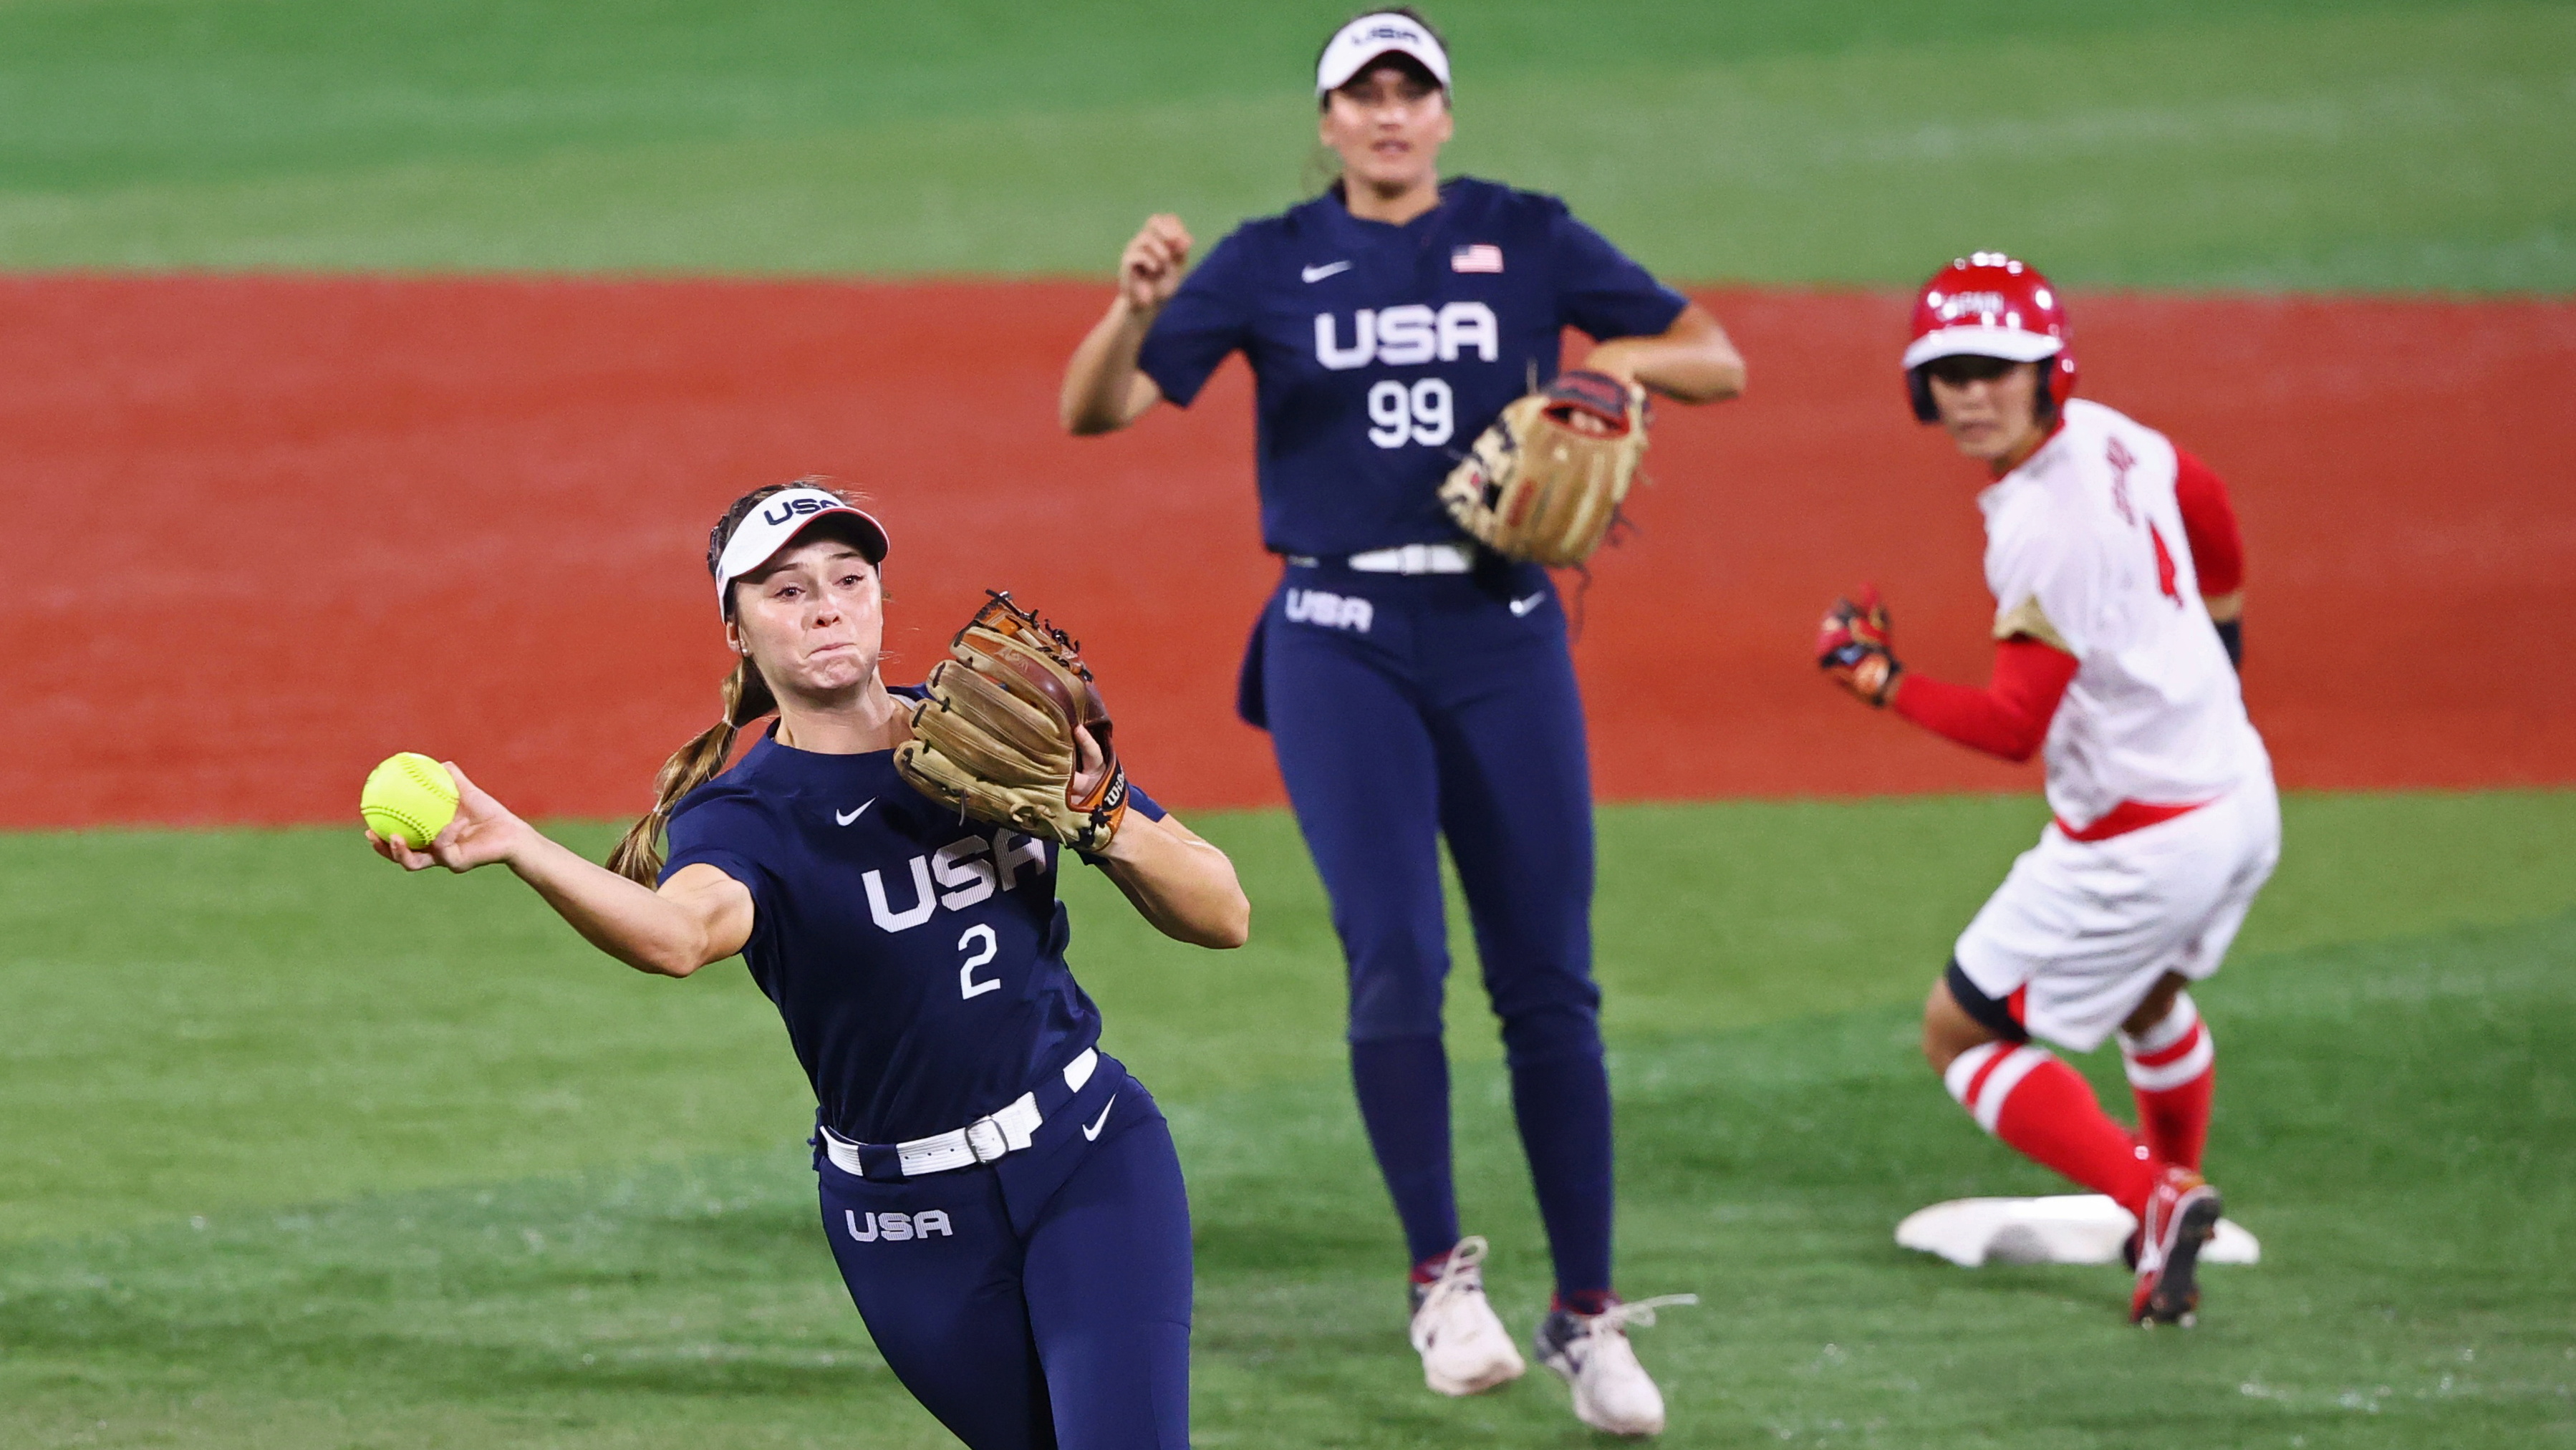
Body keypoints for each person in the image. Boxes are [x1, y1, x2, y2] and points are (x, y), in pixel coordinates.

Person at [1058, 8, 1743, 1434]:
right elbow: (1097, 410)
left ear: (1442, 116)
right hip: (1335, 640)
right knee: (1395, 953)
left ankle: (1587, 1313)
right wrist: (1130, 302)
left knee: (1550, 977)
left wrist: (1609, 372)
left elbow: (1710, 353)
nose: (1384, 115)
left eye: (1407, 92)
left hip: (1502, 632)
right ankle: (1440, 1280)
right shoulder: (1264, 260)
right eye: (1359, 95)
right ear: (1326, 125)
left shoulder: (1524, 232)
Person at [368, 481, 1249, 1449]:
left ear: (879, 598)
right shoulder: (743, 816)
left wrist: (1103, 810)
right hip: (906, 1225)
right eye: (785, 591)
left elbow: (1223, 914)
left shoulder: (1002, 736)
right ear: (736, 631)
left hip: (1089, 1151)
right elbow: (677, 936)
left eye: (848, 577)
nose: (826, 603)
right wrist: (516, 843)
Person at [1815, 253, 2274, 1327]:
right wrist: (2222, 648)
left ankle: (2152, 1199)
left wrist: (1878, 681)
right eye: (1950, 371)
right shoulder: (2111, 436)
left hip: (2137, 840)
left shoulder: (2041, 528)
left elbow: (2012, 727)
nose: (1971, 393)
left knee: (1959, 1033)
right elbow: (2207, 509)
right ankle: (2165, 1214)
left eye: (1995, 369)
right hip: (2236, 798)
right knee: (2145, 990)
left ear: (2044, 369)